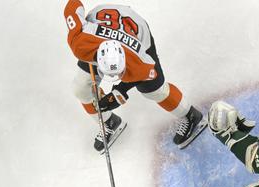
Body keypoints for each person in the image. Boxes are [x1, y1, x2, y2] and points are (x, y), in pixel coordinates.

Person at [63, 1, 206, 152]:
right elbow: (73, 4)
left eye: (120, 72)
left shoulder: (138, 59)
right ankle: (109, 122)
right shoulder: (80, 43)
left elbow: (148, 74)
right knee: (80, 88)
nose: (117, 76)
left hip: (135, 31)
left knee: (154, 90)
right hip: (98, 31)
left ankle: (190, 115)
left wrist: (119, 93)